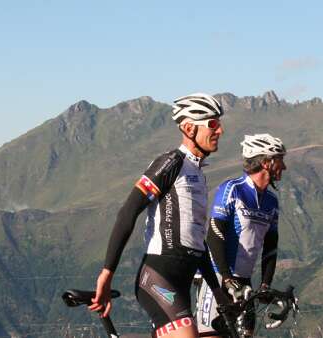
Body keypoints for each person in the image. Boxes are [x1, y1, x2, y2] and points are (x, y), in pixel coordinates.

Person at [89, 93, 229, 338]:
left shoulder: (197, 173)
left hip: (183, 281)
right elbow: (128, 212)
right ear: (188, 128)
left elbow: (197, 241)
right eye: (213, 124)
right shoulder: (170, 163)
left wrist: (217, 291)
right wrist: (106, 273)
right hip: (158, 277)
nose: (220, 130)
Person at [196, 133, 286, 337]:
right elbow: (214, 234)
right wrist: (227, 280)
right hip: (219, 279)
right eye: (280, 160)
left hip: (244, 282)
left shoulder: (271, 201)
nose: (284, 167)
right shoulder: (233, 189)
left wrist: (265, 284)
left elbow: (271, 246)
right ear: (266, 162)